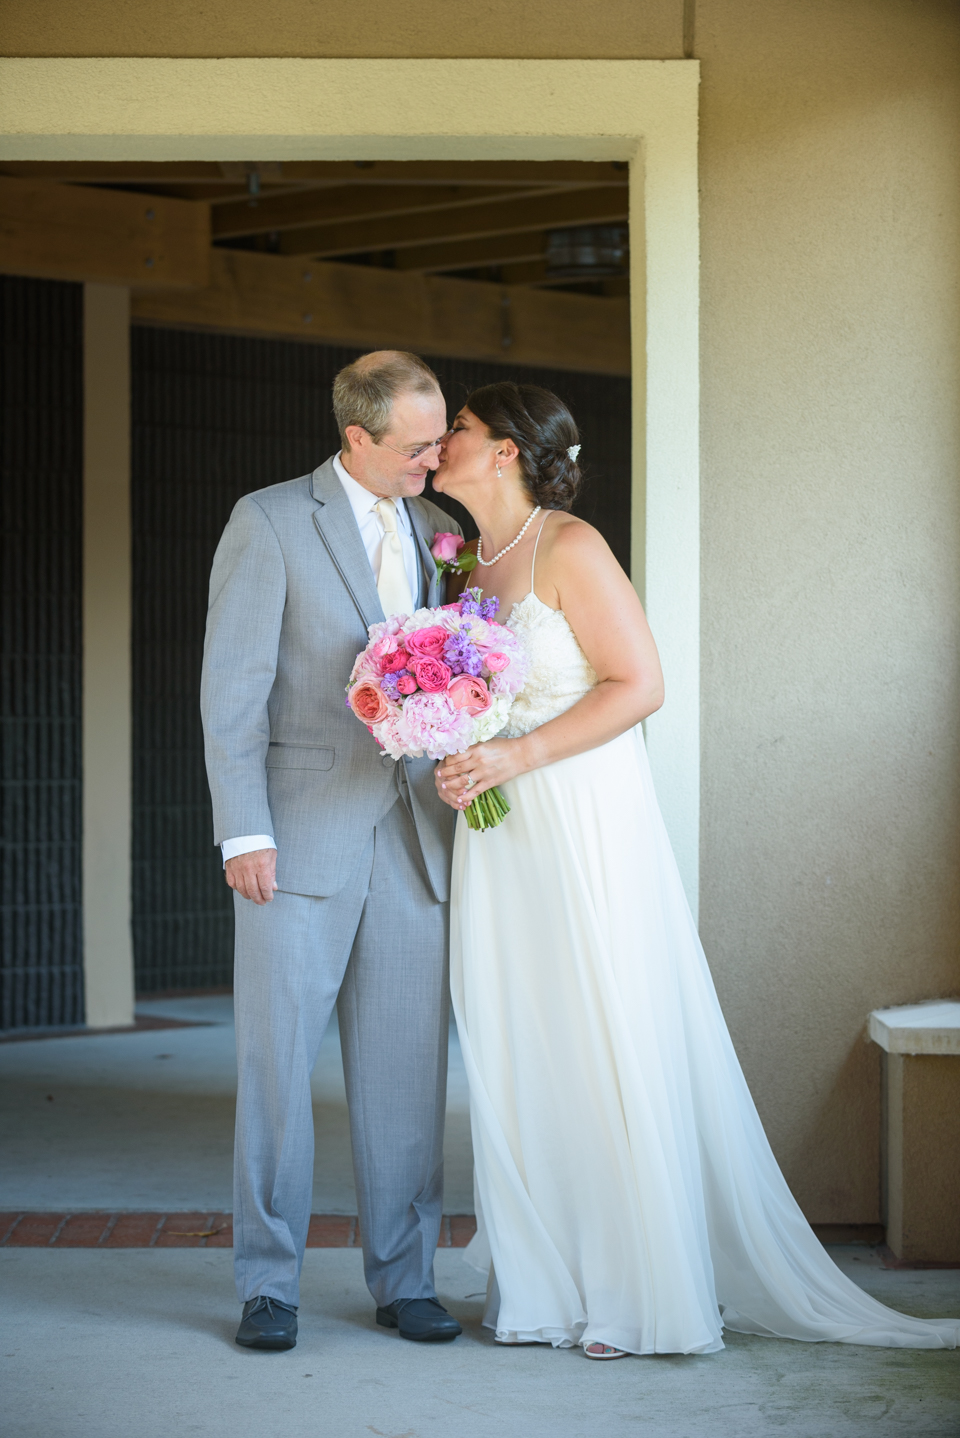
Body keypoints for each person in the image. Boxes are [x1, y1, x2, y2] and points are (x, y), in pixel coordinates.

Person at [432, 380, 960, 1359]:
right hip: (503, 840)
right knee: (524, 1041)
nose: (440, 443)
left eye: (456, 429)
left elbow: (643, 684)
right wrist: (459, 750)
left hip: (582, 820)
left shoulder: (569, 546)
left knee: (600, 1035)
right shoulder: (467, 566)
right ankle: (548, 1284)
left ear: (503, 451)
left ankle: (637, 1291)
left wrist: (513, 756)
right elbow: (476, 697)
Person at [201, 351, 464, 1351]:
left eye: (441, 438)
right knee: (275, 1073)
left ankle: (406, 1277)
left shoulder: (442, 531)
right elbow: (233, 689)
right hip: (295, 841)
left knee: (407, 1076)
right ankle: (268, 1285)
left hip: (413, 838)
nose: (435, 460)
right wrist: (244, 830)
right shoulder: (267, 523)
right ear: (356, 437)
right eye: (417, 444)